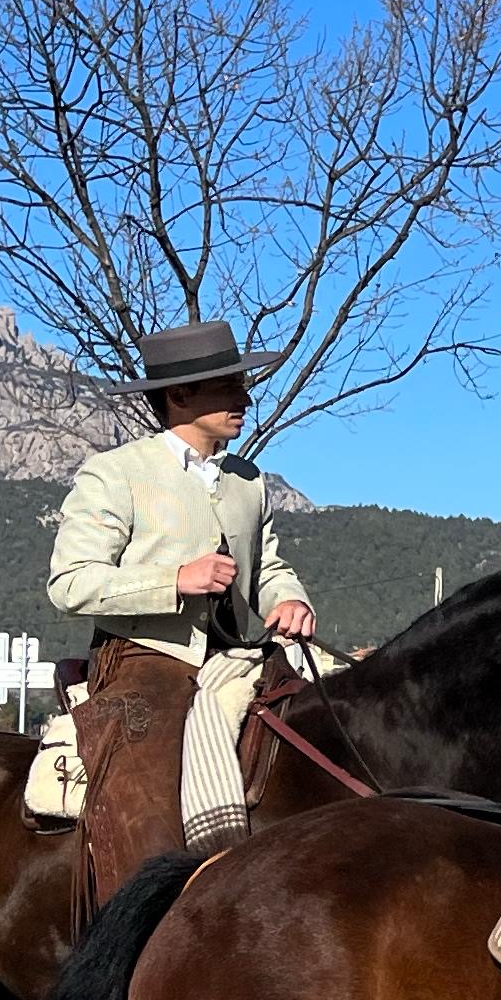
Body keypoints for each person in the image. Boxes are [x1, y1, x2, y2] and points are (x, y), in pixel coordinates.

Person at [45, 320, 315, 889]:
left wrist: (289, 599)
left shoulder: (249, 481)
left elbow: (267, 568)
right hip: (143, 659)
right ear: (180, 396)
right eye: (228, 387)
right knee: (147, 802)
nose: (245, 398)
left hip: (238, 656)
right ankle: (141, 917)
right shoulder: (115, 473)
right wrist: (174, 581)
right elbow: (70, 583)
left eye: (242, 384)